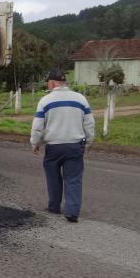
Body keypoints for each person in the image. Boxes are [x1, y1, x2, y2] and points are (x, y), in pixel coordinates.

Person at [31, 70, 95, 223]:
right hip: (74, 146)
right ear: (64, 83)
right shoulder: (81, 99)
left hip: (53, 146)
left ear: (52, 83)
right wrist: (89, 142)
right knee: (73, 178)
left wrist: (35, 143)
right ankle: (72, 211)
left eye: (48, 83)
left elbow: (38, 126)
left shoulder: (45, 101)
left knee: (53, 177)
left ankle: (54, 207)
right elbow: (89, 123)